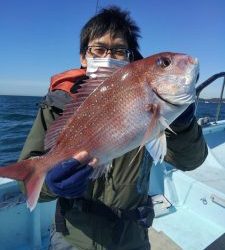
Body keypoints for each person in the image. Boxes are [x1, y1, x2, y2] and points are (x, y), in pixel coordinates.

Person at [19, 6, 208, 250]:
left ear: (130, 58)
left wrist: (183, 125)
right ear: (83, 57)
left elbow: (191, 161)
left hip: (132, 238)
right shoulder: (57, 104)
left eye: (119, 50)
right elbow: (29, 182)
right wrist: (51, 184)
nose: (108, 55)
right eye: (98, 49)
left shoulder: (151, 100)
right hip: (72, 237)